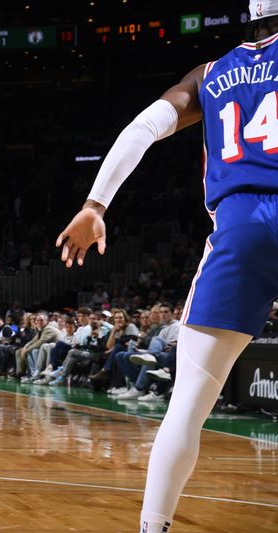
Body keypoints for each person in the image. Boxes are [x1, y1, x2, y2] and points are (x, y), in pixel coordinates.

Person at [56, 5, 278, 530]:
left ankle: (153, 528)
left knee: (188, 404)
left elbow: (142, 128)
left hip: (240, 225)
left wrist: (95, 206)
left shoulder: (210, 73)